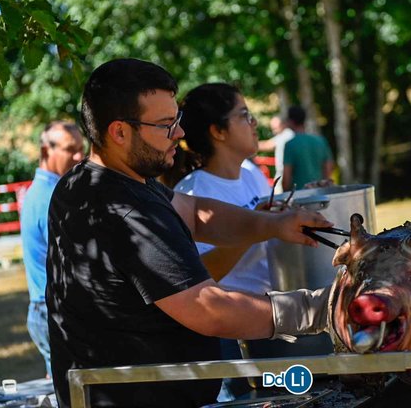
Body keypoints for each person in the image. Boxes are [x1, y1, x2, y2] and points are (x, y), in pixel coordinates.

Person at [46, 58, 332, 408]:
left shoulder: (95, 181)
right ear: (119, 132)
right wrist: (322, 309)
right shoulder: (123, 210)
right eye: (166, 125)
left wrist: (270, 224)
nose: (179, 134)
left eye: (177, 121)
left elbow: (195, 213)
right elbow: (209, 309)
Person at [174, 83, 286, 401]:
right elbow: (201, 273)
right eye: (244, 115)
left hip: (271, 318)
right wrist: (257, 228)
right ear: (218, 132)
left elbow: (271, 228)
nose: (254, 123)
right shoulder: (194, 192)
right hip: (233, 336)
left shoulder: (251, 173)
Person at [19, 121, 84, 378]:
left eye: (81, 148)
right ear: (47, 151)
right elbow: (73, 261)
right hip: (54, 309)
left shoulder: (43, 191)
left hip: (45, 307)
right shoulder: (51, 197)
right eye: (71, 149)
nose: (79, 156)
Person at [282, 105, 334, 191]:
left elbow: (286, 178)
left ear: (290, 121)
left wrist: (285, 194)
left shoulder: (290, 145)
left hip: (300, 196)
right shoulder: (320, 141)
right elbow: (328, 167)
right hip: (320, 193)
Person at [257, 115, 294, 192]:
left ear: (283, 124)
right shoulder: (287, 135)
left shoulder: (286, 135)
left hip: (285, 173)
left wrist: (248, 145)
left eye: (275, 128)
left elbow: (267, 145)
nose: (274, 131)